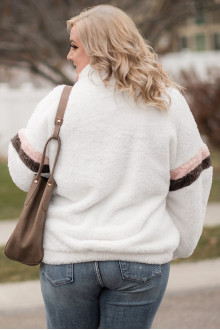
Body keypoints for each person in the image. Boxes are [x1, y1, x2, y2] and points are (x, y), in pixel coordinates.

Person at [8, 4, 213, 329]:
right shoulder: (167, 102)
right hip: (140, 260)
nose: (68, 55)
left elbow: (22, 174)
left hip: (68, 260)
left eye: (74, 46)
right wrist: (182, 243)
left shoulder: (61, 101)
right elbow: (192, 180)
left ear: (100, 48)